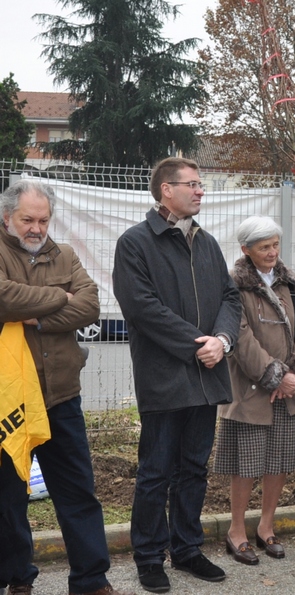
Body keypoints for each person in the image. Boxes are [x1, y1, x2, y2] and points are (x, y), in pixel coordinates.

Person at [113, 157, 241, 593]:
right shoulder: (136, 243)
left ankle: (187, 549)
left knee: (194, 469)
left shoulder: (206, 243)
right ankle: (149, 557)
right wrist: (198, 344)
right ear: (166, 190)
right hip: (165, 379)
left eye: (201, 184)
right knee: (155, 472)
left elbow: (230, 297)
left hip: (207, 378)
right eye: (193, 184)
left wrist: (222, 340)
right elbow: (142, 307)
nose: (201, 191)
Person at [0, 180, 133, 595]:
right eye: (27, 220)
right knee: (7, 501)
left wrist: (36, 315)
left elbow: (90, 304)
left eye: (43, 219)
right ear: (7, 217)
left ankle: (91, 579)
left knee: (77, 492)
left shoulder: (67, 254)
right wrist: (60, 296)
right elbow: (3, 299)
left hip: (60, 397)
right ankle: (16, 577)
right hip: (8, 404)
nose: (37, 228)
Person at [213, 216, 295, 565]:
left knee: (279, 462)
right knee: (245, 465)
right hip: (249, 390)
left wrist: (294, 376)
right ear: (246, 250)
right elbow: (240, 339)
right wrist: (275, 376)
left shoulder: (292, 284)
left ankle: (266, 527)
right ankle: (237, 530)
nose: (272, 252)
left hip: (285, 391)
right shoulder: (233, 285)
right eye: (264, 247)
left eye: (275, 245)